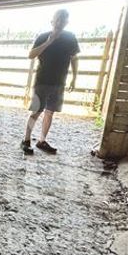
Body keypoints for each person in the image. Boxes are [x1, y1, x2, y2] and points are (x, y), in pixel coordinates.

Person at [21, 9, 80, 155]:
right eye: (58, 19)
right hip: (42, 81)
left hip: (59, 82)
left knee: (50, 112)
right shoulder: (43, 37)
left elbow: (74, 58)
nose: (60, 22)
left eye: (63, 19)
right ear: (52, 21)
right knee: (36, 111)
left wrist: (74, 78)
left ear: (67, 22)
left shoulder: (70, 38)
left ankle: (42, 140)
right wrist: (48, 42)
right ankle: (26, 140)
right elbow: (31, 55)